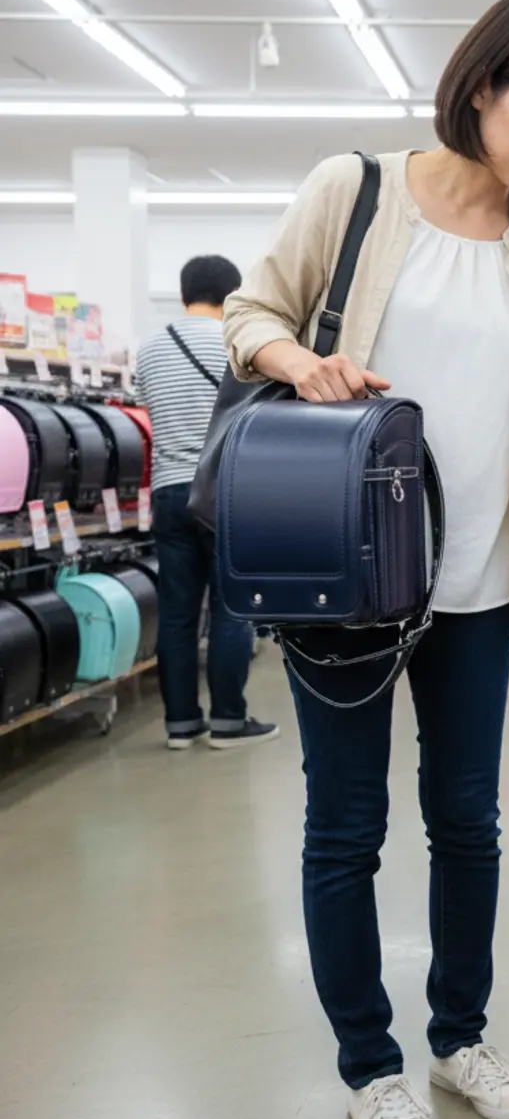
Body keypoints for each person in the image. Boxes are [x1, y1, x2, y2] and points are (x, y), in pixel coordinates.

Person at [221, 0, 509, 1119]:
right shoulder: (353, 190)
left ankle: (458, 1037)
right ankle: (370, 1068)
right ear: (482, 85)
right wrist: (298, 358)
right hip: (347, 588)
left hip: (473, 590)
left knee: (469, 823)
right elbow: (249, 310)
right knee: (345, 827)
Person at [134, 256, 278, 751]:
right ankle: (228, 722)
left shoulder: (149, 349)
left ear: (183, 294)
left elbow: (148, 413)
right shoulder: (238, 343)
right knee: (230, 610)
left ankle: (180, 725)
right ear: (234, 295)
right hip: (224, 491)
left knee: (176, 614)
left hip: (168, 491)